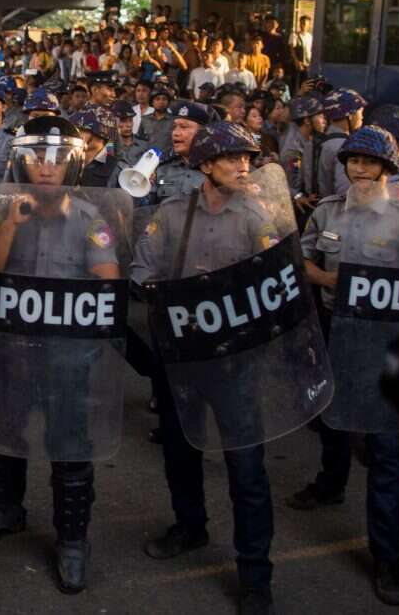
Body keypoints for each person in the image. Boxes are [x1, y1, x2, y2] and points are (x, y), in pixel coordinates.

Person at [0, 114, 122, 594]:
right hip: (12, 349)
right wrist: (11, 224)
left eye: (57, 159)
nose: (47, 167)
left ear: (72, 165)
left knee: (70, 443)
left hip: (68, 355)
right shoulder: (3, 209)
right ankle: (8, 509)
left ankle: (72, 538)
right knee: (5, 428)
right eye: (37, 158)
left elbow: (108, 284)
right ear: (21, 161)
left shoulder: (91, 218)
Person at [132, 122, 277, 615]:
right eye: (232, 158)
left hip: (237, 364)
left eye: (247, 159)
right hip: (183, 360)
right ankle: (190, 527)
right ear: (206, 166)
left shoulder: (258, 215)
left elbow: (275, 279)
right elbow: (143, 271)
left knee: (248, 470)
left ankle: (256, 575)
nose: (243, 166)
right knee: (180, 452)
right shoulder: (172, 214)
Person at [293, 125, 399, 606]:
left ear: (387, 167)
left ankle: (389, 558)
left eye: (369, 161)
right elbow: (303, 259)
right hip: (333, 331)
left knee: (383, 449)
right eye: (353, 162)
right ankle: (329, 483)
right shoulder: (327, 213)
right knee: (330, 419)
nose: (360, 170)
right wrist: (328, 278)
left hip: (385, 343)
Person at [280, 95, 327, 215]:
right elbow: (288, 183)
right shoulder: (293, 149)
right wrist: (298, 195)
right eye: (320, 116)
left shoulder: (309, 140)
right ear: (307, 121)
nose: (324, 121)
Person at [316, 88, 366, 198]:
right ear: (350, 115)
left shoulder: (322, 139)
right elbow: (345, 193)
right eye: (360, 112)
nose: (362, 117)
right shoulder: (344, 147)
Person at [70, 106, 119, 187]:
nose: (76, 133)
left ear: (101, 133)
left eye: (83, 129)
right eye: (75, 129)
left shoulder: (116, 169)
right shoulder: (67, 161)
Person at [137, 85, 175, 159]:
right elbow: (139, 141)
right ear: (152, 102)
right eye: (157, 99)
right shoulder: (145, 119)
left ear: (168, 102)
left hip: (168, 161)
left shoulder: (174, 120)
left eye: (164, 99)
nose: (161, 102)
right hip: (146, 160)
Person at [111, 99, 149, 170]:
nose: (129, 125)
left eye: (130, 120)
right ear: (114, 121)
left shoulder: (143, 144)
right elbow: (109, 160)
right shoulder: (109, 144)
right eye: (123, 121)